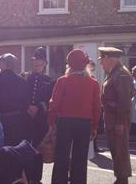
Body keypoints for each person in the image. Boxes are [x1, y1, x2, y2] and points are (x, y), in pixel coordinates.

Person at [48, 49, 101, 184]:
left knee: (61, 156)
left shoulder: (62, 81)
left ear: (69, 65)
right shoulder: (93, 83)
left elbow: (54, 104)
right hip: (84, 123)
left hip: (65, 121)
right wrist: (95, 126)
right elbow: (96, 107)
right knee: (80, 158)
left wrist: (51, 122)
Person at [98, 47, 135, 184]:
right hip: (112, 117)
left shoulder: (121, 74)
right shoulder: (114, 73)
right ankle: (120, 177)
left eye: (102, 59)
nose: (101, 63)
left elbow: (124, 101)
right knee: (116, 149)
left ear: (108, 58)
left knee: (120, 149)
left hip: (118, 118)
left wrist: (120, 122)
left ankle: (122, 179)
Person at [0, 53, 28, 146]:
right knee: (15, 147)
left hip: (0, 120)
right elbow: (25, 101)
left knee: (1, 147)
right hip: (17, 120)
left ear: (4, 64)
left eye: (0, 63)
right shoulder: (21, 81)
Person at [24, 47, 54, 148]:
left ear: (45, 63)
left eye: (38, 64)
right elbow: (23, 95)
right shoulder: (26, 78)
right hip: (26, 116)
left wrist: (39, 108)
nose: (36, 67)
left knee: (38, 147)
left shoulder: (50, 81)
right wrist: (28, 106)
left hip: (41, 118)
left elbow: (50, 100)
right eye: (34, 64)